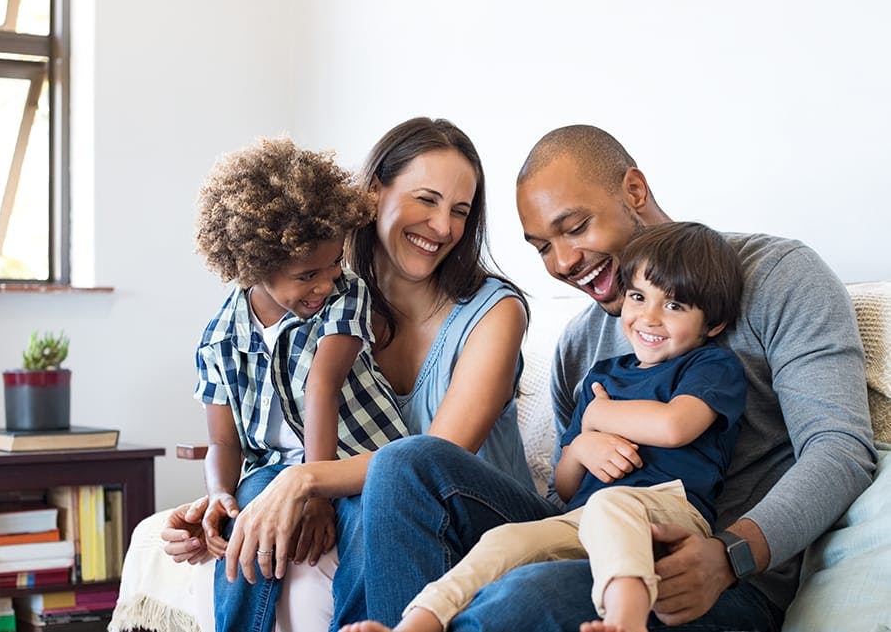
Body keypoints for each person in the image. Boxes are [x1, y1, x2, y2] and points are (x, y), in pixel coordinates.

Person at [349, 125, 876, 631]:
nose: (563, 262)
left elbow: (839, 448)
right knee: (406, 463)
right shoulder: (579, 345)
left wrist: (729, 555)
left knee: (523, 596)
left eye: (575, 228)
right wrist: (581, 450)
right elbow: (566, 495)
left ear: (635, 190)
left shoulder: (777, 275)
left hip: (714, 575)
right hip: (591, 541)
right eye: (541, 247)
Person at [161, 117, 535, 631]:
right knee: (258, 514)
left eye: (460, 212)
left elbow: (428, 464)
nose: (445, 227)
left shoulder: (494, 312)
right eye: (427, 200)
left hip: (476, 517)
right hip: (370, 501)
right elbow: (274, 428)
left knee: (393, 479)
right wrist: (228, 502)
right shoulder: (321, 302)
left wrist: (305, 482)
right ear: (374, 192)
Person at [342, 221, 747, 632]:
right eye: (639, 297)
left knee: (613, 505)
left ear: (712, 324)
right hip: (585, 518)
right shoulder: (603, 376)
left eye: (674, 306)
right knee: (504, 542)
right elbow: (566, 485)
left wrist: (596, 418)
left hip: (668, 515)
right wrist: (580, 450)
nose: (649, 317)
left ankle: (626, 619)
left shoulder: (710, 365)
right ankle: (413, 625)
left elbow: (676, 426)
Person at [192, 138, 410, 631]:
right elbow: (222, 440)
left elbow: (322, 386)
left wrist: (315, 493)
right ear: (254, 267)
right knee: (246, 517)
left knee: (366, 525)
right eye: (308, 274)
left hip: (358, 462)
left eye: (335, 263)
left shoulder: (344, 296)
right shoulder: (218, 340)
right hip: (274, 470)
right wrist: (218, 495)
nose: (327, 282)